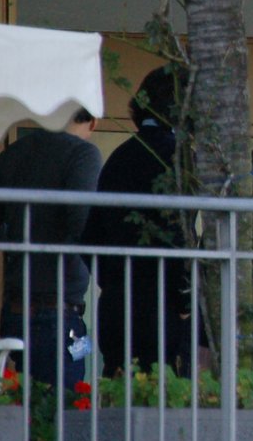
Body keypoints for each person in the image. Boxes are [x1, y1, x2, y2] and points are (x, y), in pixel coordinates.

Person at [0, 108, 101, 390]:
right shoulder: (83, 154)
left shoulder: (12, 154)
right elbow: (83, 223)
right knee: (60, 410)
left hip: (15, 308)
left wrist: (19, 240)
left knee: (19, 409)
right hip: (60, 307)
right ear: (92, 121)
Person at [83, 66, 196, 376]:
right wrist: (186, 300)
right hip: (163, 306)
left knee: (119, 399)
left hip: (117, 303)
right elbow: (179, 234)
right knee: (166, 405)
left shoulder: (119, 156)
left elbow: (88, 235)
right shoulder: (178, 156)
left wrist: (112, 278)